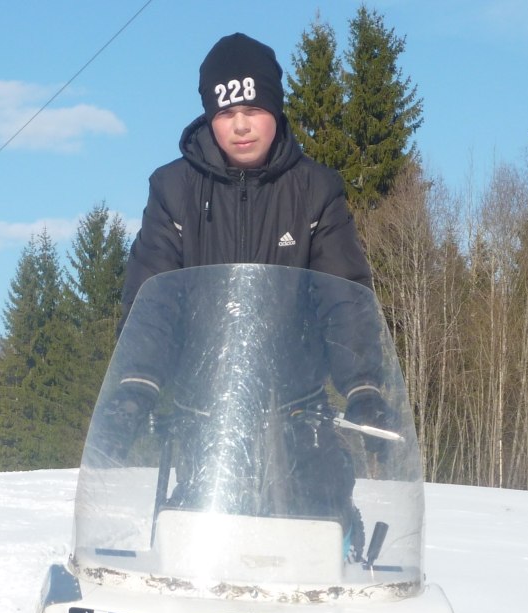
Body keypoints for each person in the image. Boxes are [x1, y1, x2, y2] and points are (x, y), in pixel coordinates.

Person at [104, 33, 397, 556]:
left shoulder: (315, 190)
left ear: (275, 110)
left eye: (254, 107)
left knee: (315, 550)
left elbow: (344, 299)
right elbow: (152, 302)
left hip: (301, 417)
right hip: (205, 420)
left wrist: (364, 390)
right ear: (209, 116)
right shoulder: (172, 190)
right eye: (226, 110)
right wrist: (134, 387)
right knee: (195, 551)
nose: (240, 124)